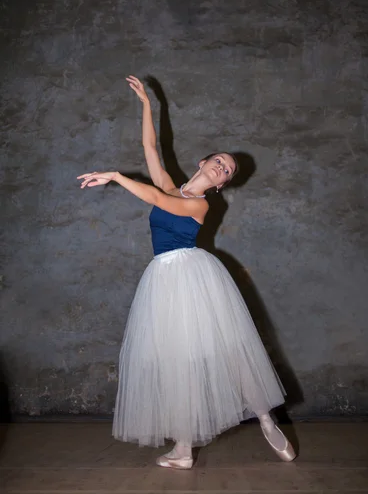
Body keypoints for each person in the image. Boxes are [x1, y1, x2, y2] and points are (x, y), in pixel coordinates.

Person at [77, 75, 296, 470]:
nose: (221, 169)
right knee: (173, 360)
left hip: (192, 275)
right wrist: (147, 104)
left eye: (226, 171)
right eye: (218, 162)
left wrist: (116, 176)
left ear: (222, 184)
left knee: (226, 350)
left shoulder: (201, 207)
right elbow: (150, 149)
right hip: (162, 278)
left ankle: (265, 416)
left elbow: (156, 198)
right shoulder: (174, 187)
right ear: (203, 162)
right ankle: (182, 448)